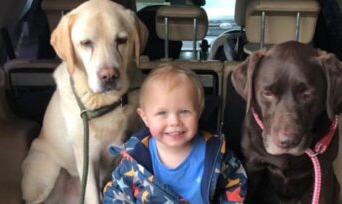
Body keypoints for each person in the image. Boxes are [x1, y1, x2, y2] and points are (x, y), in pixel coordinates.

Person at [102, 64, 247, 203]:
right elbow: (116, 195)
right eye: (162, 113)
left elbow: (235, 182)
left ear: (199, 111)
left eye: (184, 111)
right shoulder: (134, 161)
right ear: (145, 117)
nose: (174, 121)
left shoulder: (215, 155)